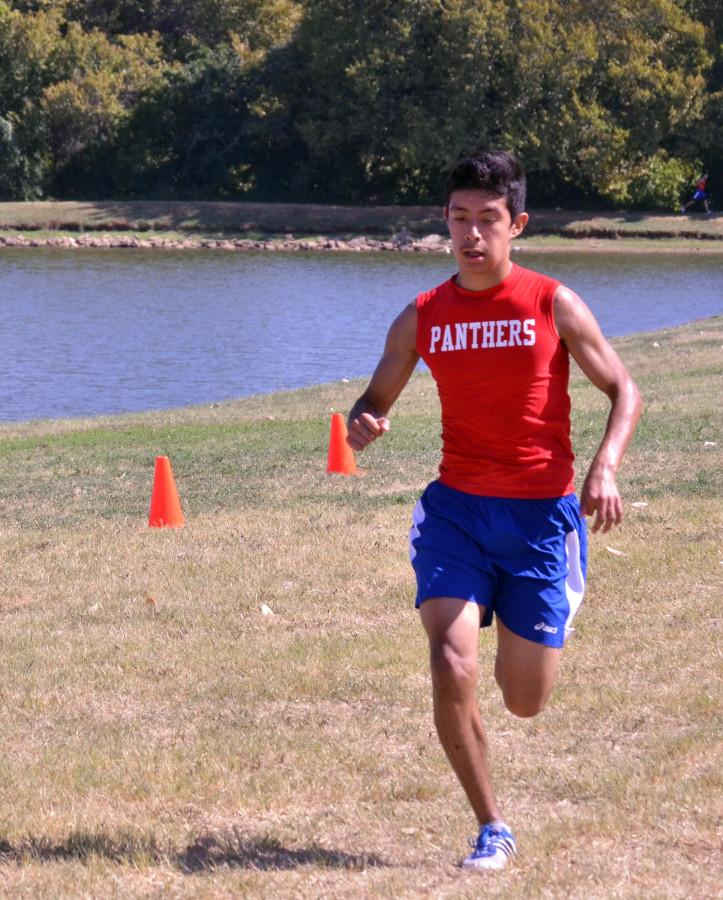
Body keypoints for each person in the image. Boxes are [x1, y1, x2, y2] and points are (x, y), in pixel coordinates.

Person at [346, 150, 642, 871]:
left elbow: (624, 390)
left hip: (541, 519)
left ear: (516, 225)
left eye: (486, 220)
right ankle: (491, 826)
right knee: (450, 664)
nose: (471, 234)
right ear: (443, 223)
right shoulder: (422, 316)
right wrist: (362, 422)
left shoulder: (552, 303)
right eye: (458, 219)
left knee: (524, 700)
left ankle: (521, 611)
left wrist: (602, 468)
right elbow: (373, 400)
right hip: (457, 515)